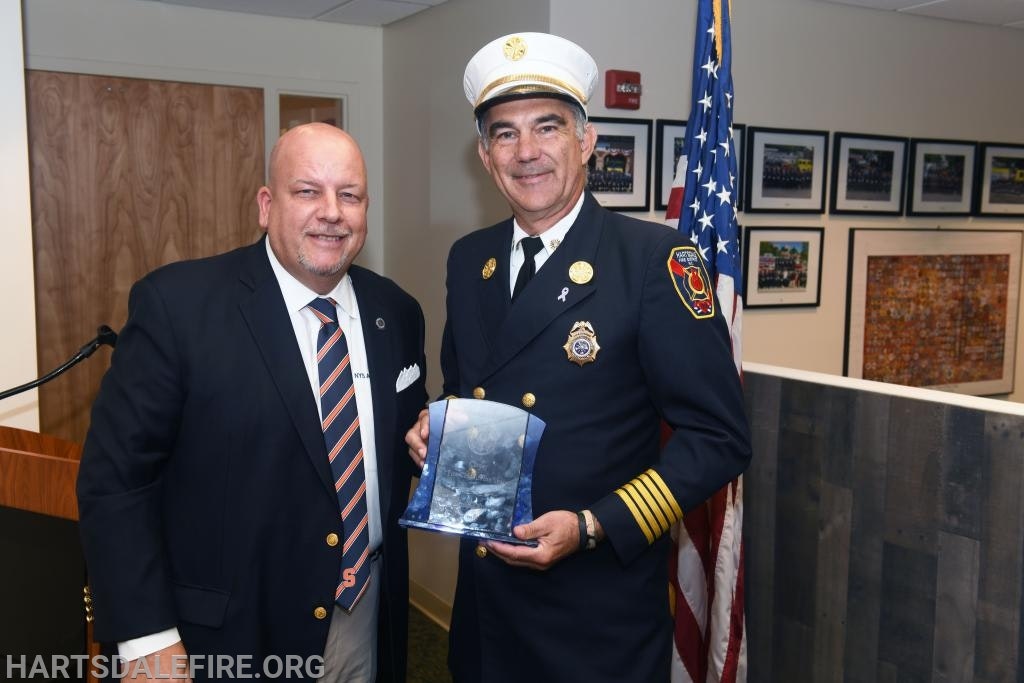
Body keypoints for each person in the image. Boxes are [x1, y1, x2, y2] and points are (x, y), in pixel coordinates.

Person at [405, 33, 752, 682]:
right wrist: (438, 427)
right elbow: (470, 388)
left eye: (548, 127)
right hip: (485, 609)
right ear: (485, 156)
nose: (527, 151)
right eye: (505, 134)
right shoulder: (468, 260)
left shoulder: (653, 262)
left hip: (594, 616)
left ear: (587, 141)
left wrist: (594, 524)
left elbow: (719, 437)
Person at [78, 122, 427, 683]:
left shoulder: (398, 311)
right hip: (228, 634)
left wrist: (428, 440)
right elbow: (116, 482)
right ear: (267, 205)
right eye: (308, 191)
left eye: (350, 195)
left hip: (366, 612)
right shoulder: (179, 306)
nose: (332, 212)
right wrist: (146, 639)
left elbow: (398, 439)